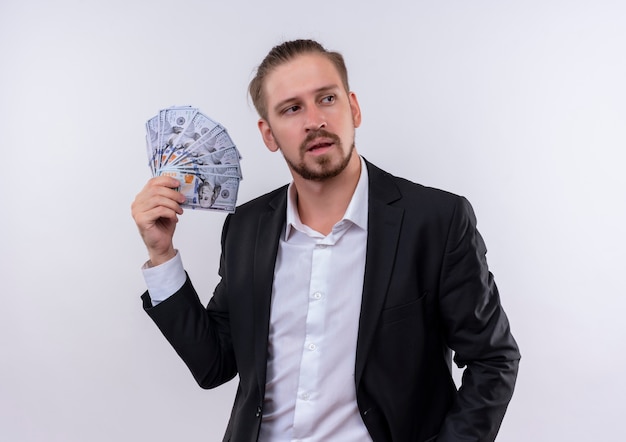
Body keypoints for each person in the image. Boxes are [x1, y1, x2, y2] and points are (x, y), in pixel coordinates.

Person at [131, 39, 520, 442]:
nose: (314, 120)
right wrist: (161, 254)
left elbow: (493, 360)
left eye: (327, 99)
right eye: (292, 108)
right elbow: (214, 364)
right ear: (269, 134)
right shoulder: (246, 228)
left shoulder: (435, 221)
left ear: (353, 108)